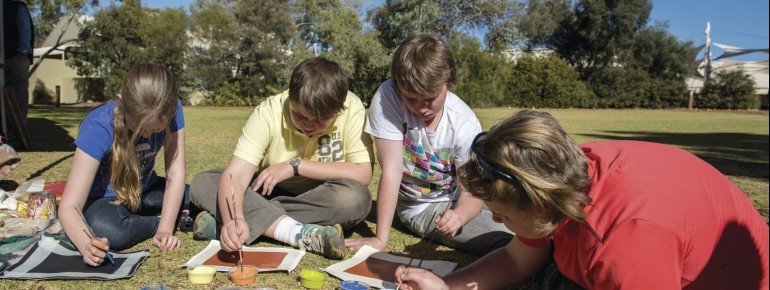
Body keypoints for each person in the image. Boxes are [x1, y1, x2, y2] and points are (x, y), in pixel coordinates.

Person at [394, 110, 769, 289]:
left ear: (538, 203)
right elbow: (516, 257)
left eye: (502, 215)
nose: (494, 222)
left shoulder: (624, 243)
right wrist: (445, 287)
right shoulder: (559, 175)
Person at [190, 57, 374, 260]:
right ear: (290, 99)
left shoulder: (353, 107)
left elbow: (363, 173)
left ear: (339, 110)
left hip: (321, 196)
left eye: (321, 121)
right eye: (300, 116)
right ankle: (295, 232)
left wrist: (296, 166)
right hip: (264, 190)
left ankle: (240, 221)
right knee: (204, 182)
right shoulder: (269, 112)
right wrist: (234, 217)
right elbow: (237, 174)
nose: (309, 126)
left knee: (357, 198)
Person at [344, 34, 512, 256]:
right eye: (411, 99)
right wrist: (380, 238)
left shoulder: (464, 122)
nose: (421, 109)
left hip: (460, 199)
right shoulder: (388, 96)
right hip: (420, 208)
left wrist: (459, 215)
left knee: (519, 217)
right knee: (507, 237)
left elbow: (472, 190)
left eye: (430, 98)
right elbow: (392, 169)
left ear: (447, 84)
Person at [58, 63, 188, 267]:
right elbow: (69, 205)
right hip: (105, 201)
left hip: (145, 190)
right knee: (108, 229)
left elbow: (176, 174)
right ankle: (169, 219)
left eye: (156, 129)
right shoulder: (99, 125)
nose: (147, 135)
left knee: (192, 195)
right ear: (121, 102)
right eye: (139, 128)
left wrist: (165, 230)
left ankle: (164, 217)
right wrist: (86, 245)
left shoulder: (173, 109)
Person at [2, 0, 34, 147]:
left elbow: (24, 29)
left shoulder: (17, 6)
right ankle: (5, 135)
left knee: (18, 98)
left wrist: (22, 53)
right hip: (6, 57)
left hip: (16, 58)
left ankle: (18, 138)